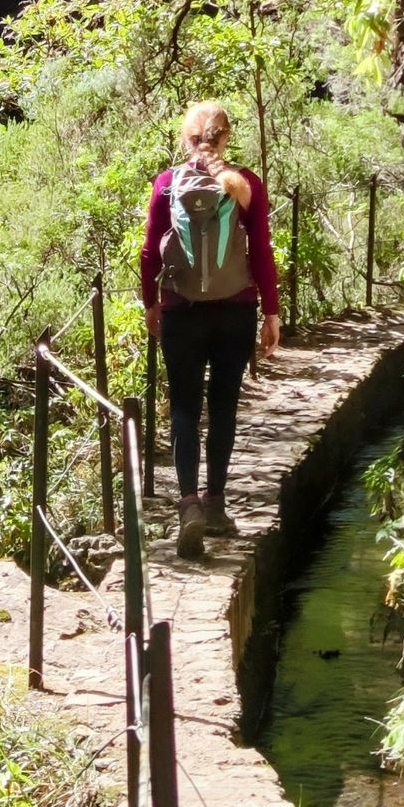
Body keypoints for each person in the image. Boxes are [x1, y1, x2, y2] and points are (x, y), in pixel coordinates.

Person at [140, 101, 281, 558]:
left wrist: (151, 304)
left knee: (184, 406)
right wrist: (271, 313)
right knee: (223, 406)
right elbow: (260, 250)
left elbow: (149, 252)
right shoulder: (246, 186)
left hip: (182, 311)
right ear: (225, 138)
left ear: (188, 139)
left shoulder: (166, 184)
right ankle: (217, 504)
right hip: (234, 311)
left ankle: (188, 507)